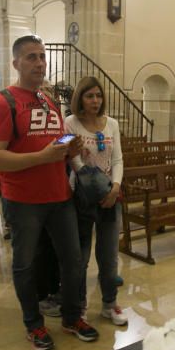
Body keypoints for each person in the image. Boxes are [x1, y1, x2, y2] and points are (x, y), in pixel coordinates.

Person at [0, 34, 98, 350]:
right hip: (23, 201)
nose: (39, 63)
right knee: (26, 264)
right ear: (16, 63)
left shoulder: (48, 101)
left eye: (42, 57)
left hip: (59, 196)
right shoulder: (2, 103)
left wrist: (70, 149)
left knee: (73, 261)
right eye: (31, 57)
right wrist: (42, 157)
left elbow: (55, 143)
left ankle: (72, 317)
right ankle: (34, 325)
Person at [65, 76, 128, 326]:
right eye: (89, 95)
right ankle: (80, 305)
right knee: (81, 256)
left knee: (109, 254)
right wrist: (92, 182)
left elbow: (118, 160)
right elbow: (73, 158)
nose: (95, 100)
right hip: (81, 195)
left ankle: (109, 304)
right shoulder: (71, 123)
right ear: (80, 97)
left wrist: (114, 187)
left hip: (110, 195)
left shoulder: (111, 124)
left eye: (98, 96)